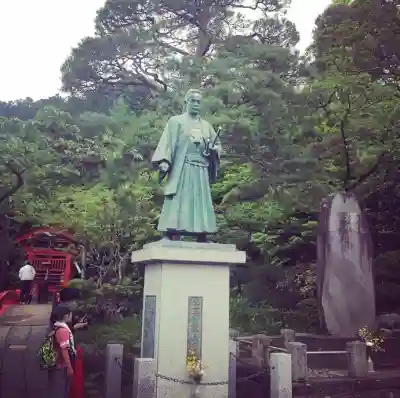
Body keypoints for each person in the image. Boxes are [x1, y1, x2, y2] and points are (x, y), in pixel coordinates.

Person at [152, 88, 222, 242]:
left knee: (201, 200)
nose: (196, 104)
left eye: (198, 102)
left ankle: (202, 234)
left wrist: (213, 150)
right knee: (178, 198)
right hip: (182, 167)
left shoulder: (206, 126)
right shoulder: (176, 121)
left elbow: (217, 145)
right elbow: (167, 143)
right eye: (193, 101)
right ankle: (170, 233)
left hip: (201, 169)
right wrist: (164, 160)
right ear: (186, 102)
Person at [49, 304, 76, 398]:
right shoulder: (63, 330)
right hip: (62, 365)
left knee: (59, 388)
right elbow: (64, 349)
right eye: (70, 314)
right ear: (66, 315)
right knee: (62, 390)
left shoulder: (56, 327)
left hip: (58, 364)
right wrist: (69, 367)